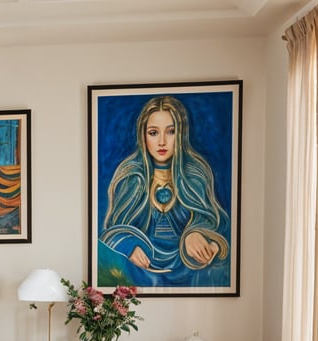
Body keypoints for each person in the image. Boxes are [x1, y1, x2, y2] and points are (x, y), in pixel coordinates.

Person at [99, 95, 231, 288]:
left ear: (181, 134)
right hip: (141, 268)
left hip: (189, 267)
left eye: (170, 132)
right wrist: (128, 246)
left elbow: (218, 224)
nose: (162, 141)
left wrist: (199, 236)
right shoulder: (131, 176)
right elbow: (113, 231)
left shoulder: (196, 173)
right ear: (142, 136)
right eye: (153, 133)